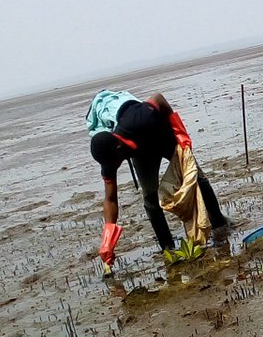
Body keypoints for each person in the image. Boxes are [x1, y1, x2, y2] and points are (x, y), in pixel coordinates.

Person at [86, 89, 229, 264]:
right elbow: (110, 198)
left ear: (118, 150)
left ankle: (220, 224)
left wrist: (180, 132)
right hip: (141, 154)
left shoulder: (139, 119)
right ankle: (168, 248)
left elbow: (158, 98)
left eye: (112, 164)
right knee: (150, 199)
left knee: (196, 177)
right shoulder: (109, 157)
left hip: (161, 135)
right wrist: (108, 240)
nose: (111, 168)